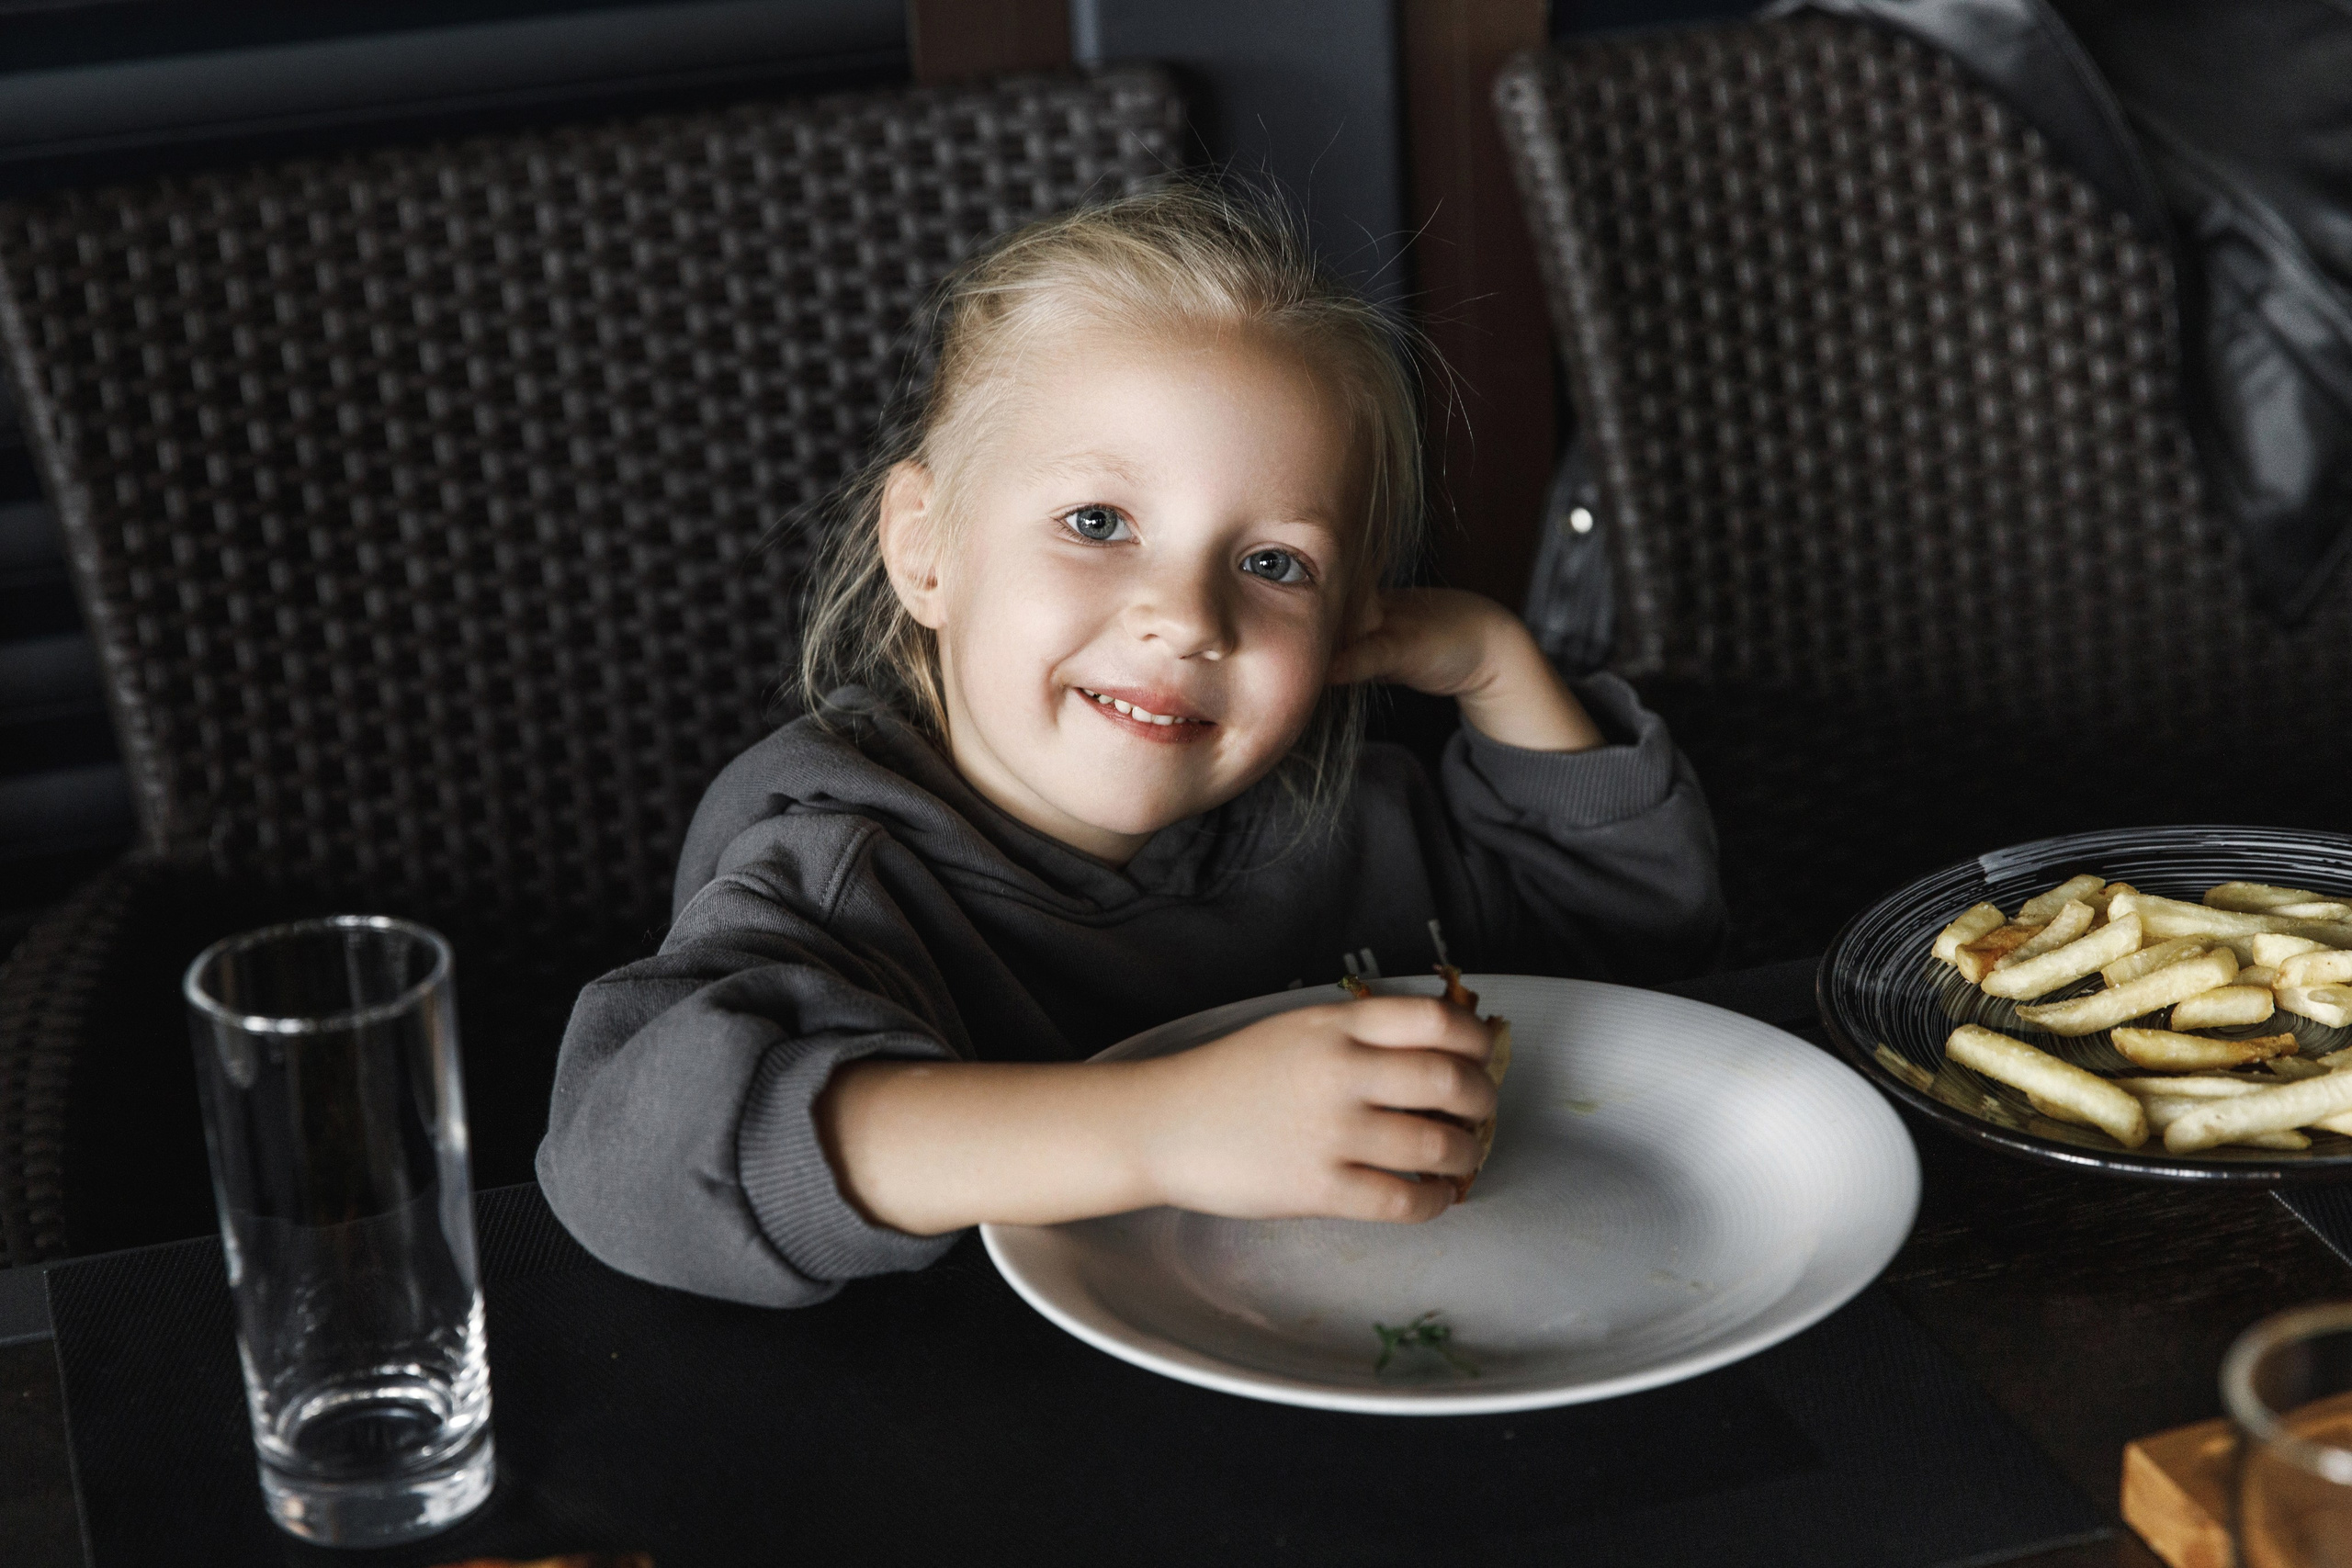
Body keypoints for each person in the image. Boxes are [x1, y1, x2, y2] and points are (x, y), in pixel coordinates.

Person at [537, 183, 1724, 1306]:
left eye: (1273, 565)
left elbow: (1626, 956)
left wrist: (1492, 663)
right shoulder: (845, 875)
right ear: (925, 546)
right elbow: (624, 1165)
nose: (1190, 619)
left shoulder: (1348, 811)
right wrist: (1164, 1127)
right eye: (1097, 523)